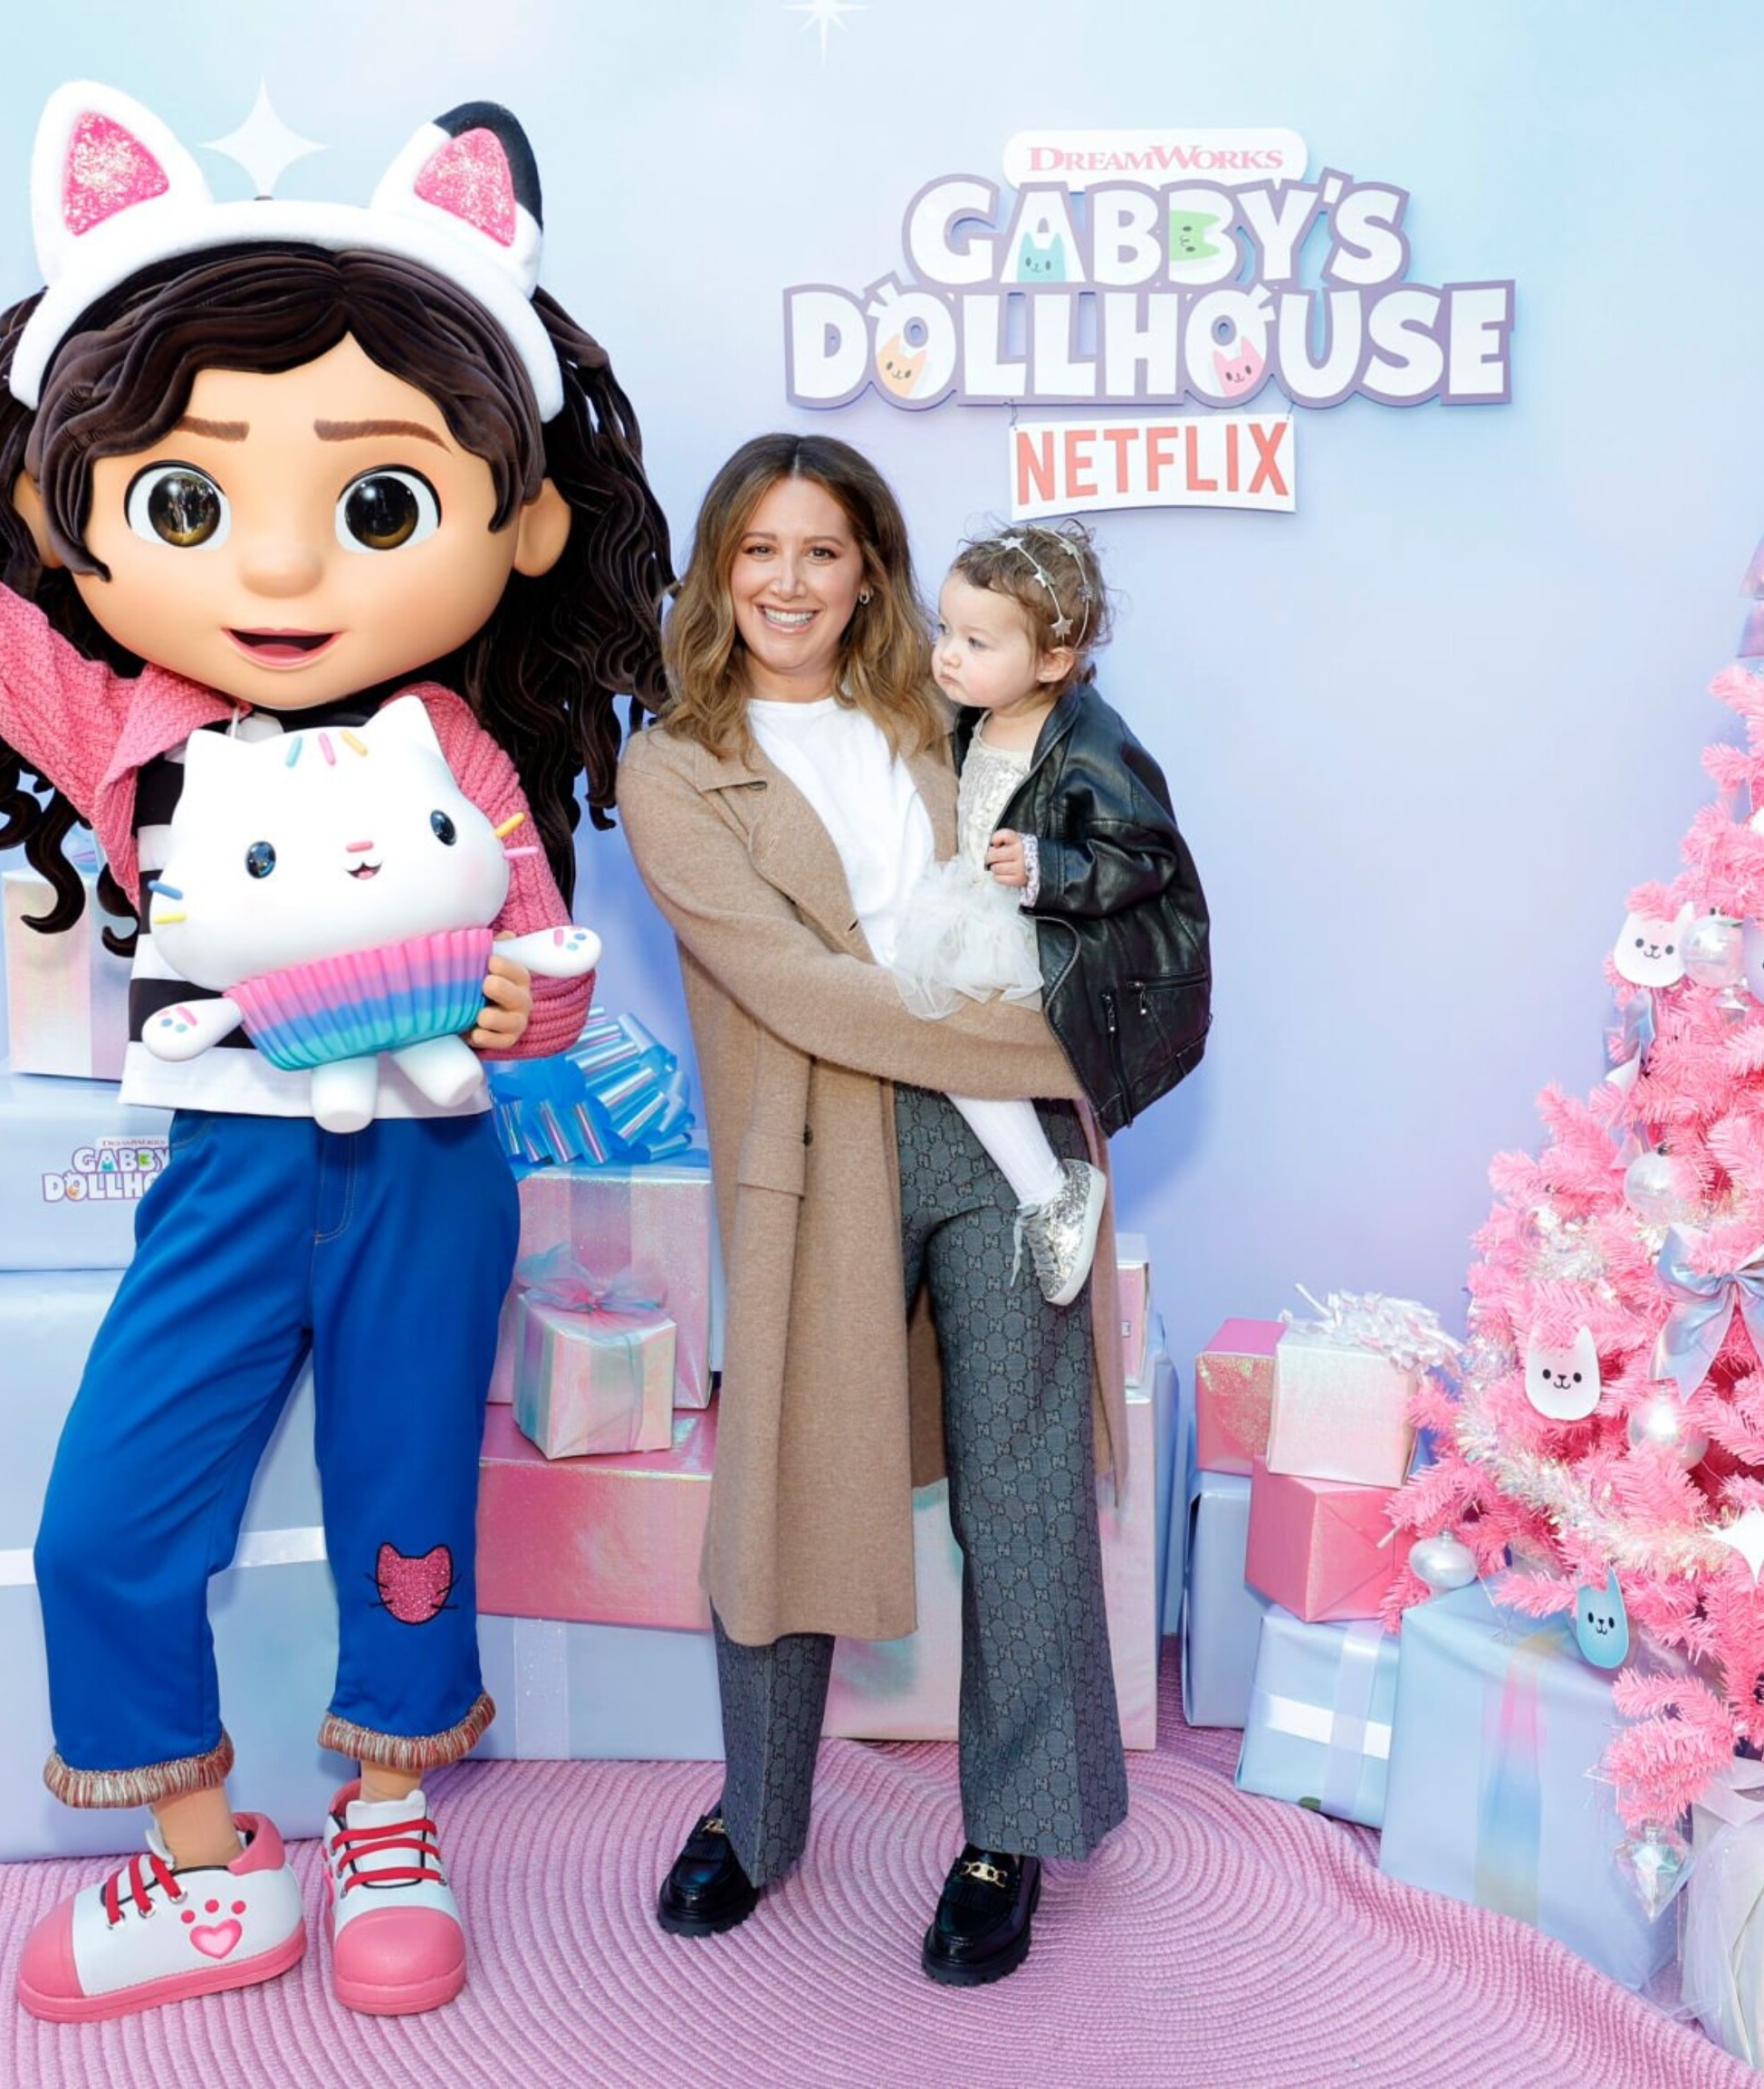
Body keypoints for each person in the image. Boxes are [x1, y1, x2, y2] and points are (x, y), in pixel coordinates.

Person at [0, 84, 669, 2021]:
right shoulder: (119, 730)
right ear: (74, 516)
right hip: (230, 1173)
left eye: (373, 506)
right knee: (106, 1527)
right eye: (191, 502)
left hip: (428, 1176)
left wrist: (531, 1005)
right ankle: (207, 1859)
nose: (284, 572)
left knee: (408, 1507)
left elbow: (537, 955)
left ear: (517, 523)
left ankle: (386, 1819)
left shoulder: (458, 751)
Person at [619, 433, 1166, 1988]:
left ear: (869, 571)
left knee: (1025, 1492)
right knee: (788, 1488)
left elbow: (1092, 882)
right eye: (759, 548)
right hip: (821, 1150)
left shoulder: (955, 711)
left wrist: (1064, 1035)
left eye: (823, 549)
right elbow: (795, 989)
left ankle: (1014, 1830)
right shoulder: (671, 766)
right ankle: (755, 1814)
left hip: (1003, 1157)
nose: (788, 580)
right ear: (719, 568)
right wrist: (1045, 1045)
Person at [890, 519, 1210, 1301]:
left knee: (952, 1033)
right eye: (945, 630)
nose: (948, 654)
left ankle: (1050, 1190)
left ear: (1053, 661)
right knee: (922, 1014)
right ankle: (1038, 1186)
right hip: (975, 899)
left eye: (976, 641)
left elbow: (1147, 854)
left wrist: (1046, 866)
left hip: (1042, 925)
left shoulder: (1092, 740)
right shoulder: (977, 710)